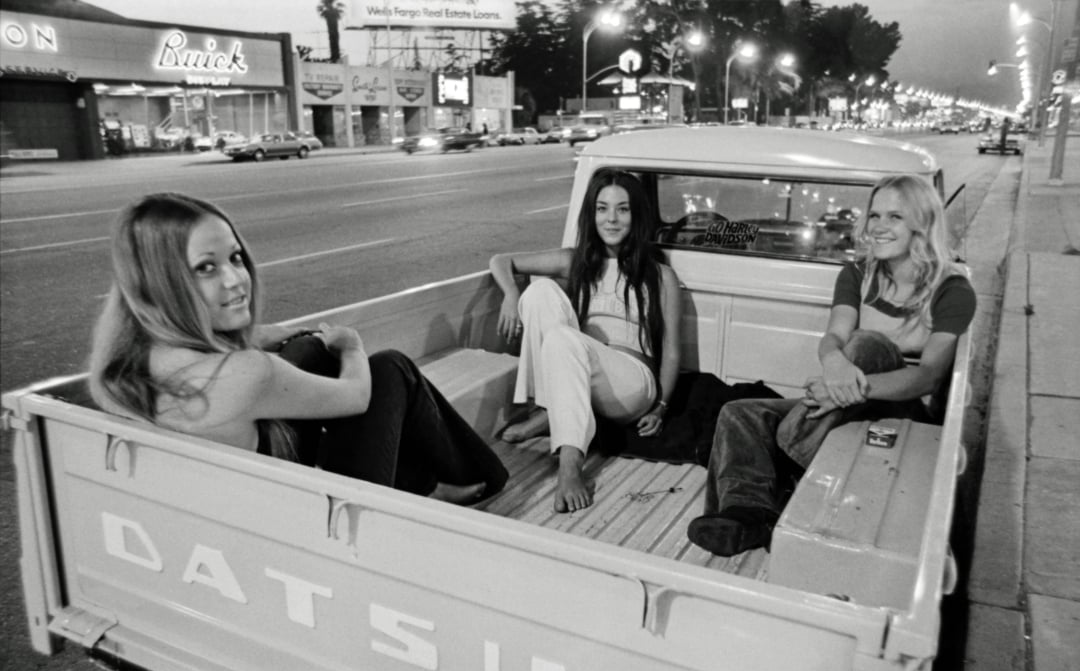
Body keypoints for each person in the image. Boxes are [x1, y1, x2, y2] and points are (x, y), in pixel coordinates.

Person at [88, 193, 507, 503]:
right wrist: (350, 347)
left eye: (235, 258)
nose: (236, 280)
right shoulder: (244, 373)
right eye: (206, 268)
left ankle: (421, 482)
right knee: (389, 369)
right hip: (308, 512)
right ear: (160, 282)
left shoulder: (124, 366)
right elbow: (357, 397)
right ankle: (469, 476)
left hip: (244, 502)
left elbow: (250, 344)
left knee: (306, 349)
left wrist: (280, 337)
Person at [687, 174, 976, 556]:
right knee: (739, 413)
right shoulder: (858, 274)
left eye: (895, 217)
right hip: (841, 402)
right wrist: (835, 366)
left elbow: (927, 377)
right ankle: (749, 515)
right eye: (874, 215)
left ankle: (787, 465)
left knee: (868, 343)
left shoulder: (950, 290)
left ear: (922, 224)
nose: (878, 227)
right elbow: (834, 338)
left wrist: (843, 384)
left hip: (903, 411)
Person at [489, 168, 682, 513]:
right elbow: (502, 261)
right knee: (539, 292)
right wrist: (509, 295)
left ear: (636, 216)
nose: (611, 219)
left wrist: (662, 406)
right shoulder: (576, 261)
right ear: (591, 214)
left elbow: (670, 349)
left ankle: (569, 464)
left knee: (565, 338)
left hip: (631, 385)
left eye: (623, 209)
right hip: (583, 369)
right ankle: (550, 411)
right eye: (602, 208)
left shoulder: (660, 275)